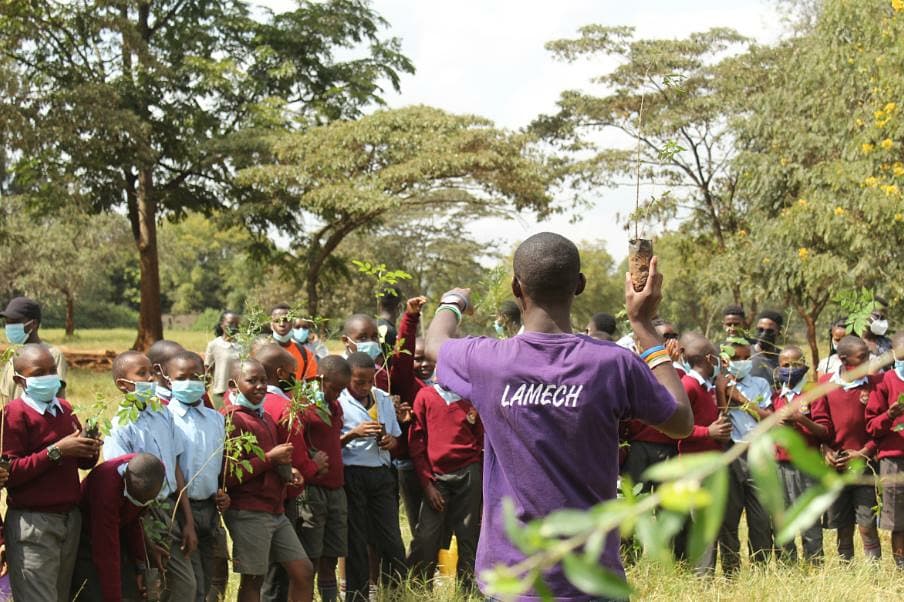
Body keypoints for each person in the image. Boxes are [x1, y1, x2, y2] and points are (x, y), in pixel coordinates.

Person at [424, 232, 693, 599]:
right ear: (579, 285)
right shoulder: (612, 364)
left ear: (517, 288)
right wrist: (644, 326)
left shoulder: (487, 362)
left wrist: (453, 301)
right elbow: (681, 423)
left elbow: (435, 342)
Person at [3, 344, 101, 602]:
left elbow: (81, 463)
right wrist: (57, 451)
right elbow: (10, 473)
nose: (48, 377)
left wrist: (89, 449)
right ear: (20, 380)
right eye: (39, 372)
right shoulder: (15, 414)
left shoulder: (66, 409)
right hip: (33, 523)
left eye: (51, 370)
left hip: (68, 520)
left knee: (60, 596)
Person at [104, 351, 198, 602]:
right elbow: (123, 486)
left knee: (184, 586)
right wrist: (144, 539)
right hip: (144, 512)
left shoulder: (163, 414)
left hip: (171, 507)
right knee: (156, 586)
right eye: (142, 374)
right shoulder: (120, 426)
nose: (150, 378)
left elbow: (175, 467)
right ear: (123, 385)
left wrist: (187, 520)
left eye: (152, 372)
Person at [223, 359, 313, 602]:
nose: (260, 386)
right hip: (248, 511)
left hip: (275, 509)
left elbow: (272, 461)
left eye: (263, 380)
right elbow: (228, 474)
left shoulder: (263, 417)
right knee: (253, 580)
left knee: (303, 571)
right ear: (233, 385)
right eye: (252, 380)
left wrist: (288, 471)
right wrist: (270, 459)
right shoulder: (231, 420)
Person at [257, 344, 326, 602]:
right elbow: (295, 457)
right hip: (282, 497)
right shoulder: (285, 407)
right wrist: (314, 465)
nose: (296, 380)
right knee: (281, 575)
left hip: (254, 497)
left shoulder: (241, 400)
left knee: (265, 574)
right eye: (293, 373)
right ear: (281, 373)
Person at [339, 352, 406, 602]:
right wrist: (353, 434)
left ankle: (395, 594)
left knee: (392, 541)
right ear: (347, 379)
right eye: (359, 382)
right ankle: (357, 596)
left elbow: (397, 438)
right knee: (356, 542)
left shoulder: (383, 399)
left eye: (369, 381)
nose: (365, 386)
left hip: (381, 474)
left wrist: (391, 441)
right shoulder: (339, 402)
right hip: (353, 474)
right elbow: (328, 445)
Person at [165, 350, 230, 602]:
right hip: (180, 511)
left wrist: (223, 493)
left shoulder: (215, 419)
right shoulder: (166, 419)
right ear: (168, 379)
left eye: (196, 376)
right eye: (182, 377)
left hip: (209, 509)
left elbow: (217, 463)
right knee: (185, 585)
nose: (190, 382)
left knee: (204, 583)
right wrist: (187, 520)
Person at [406, 378, 483, 589]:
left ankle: (468, 589)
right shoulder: (426, 396)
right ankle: (418, 587)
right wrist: (427, 484)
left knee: (468, 535)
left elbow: (480, 437)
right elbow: (417, 441)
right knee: (426, 535)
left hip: (468, 472)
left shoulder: (472, 395)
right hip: (436, 477)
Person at [810, 335, 882, 560]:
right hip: (837, 466)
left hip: (865, 464)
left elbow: (879, 426)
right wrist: (827, 450)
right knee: (842, 524)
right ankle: (846, 568)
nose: (868, 361)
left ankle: (874, 571)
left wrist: (865, 451)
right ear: (843, 360)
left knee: (867, 522)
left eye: (868, 356)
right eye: (862, 358)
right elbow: (821, 422)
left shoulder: (875, 383)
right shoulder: (824, 385)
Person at [289, 356, 351, 602]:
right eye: (335, 388)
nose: (338, 394)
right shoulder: (302, 405)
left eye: (342, 390)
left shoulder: (334, 406)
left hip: (336, 489)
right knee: (311, 555)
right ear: (320, 379)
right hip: (312, 490)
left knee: (332, 555)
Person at [71, 453, 166, 602]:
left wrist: (140, 564)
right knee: (95, 594)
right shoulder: (106, 488)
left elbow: (133, 522)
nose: (136, 504)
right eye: (132, 499)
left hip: (118, 530)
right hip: (88, 533)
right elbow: (106, 553)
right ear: (125, 480)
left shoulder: (151, 473)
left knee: (133, 591)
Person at [674, 333, 731, 570]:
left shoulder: (706, 387)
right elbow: (676, 428)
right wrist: (708, 433)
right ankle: (702, 578)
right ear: (709, 358)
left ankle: (704, 573)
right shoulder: (688, 386)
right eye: (716, 357)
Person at [718, 337, 775, 573]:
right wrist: (723, 390)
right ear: (724, 360)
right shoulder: (717, 384)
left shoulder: (760, 384)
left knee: (761, 518)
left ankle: (760, 568)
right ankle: (731, 569)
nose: (741, 362)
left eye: (745, 358)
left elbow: (768, 417)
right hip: (730, 453)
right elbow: (719, 415)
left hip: (758, 453)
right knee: (729, 517)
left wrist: (740, 399)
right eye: (735, 358)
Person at [772, 346, 828, 562]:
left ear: (804, 365)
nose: (789, 369)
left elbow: (824, 432)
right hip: (779, 465)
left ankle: (814, 562)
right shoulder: (776, 396)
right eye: (785, 365)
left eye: (795, 364)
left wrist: (800, 419)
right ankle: (788, 564)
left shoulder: (813, 395)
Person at [865, 331, 904, 568]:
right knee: (898, 519)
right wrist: (889, 415)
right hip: (894, 460)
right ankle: (901, 567)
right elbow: (871, 426)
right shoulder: (884, 382)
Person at [0, 296, 68, 405]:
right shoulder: (12, 357)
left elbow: (59, 399)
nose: (10, 327)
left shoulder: (52, 354)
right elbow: (6, 399)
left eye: (15, 321)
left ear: (34, 324)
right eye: (7, 322)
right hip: (14, 421)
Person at [270, 304, 318, 382]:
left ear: (292, 323)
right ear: (271, 325)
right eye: (277, 320)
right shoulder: (261, 351)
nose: (282, 324)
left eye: (286, 320)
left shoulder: (305, 354)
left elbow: (312, 385)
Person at [205, 311, 242, 406]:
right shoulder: (214, 345)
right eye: (230, 323)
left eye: (237, 324)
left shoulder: (243, 345)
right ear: (222, 324)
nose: (234, 327)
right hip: (221, 394)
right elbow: (207, 372)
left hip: (241, 395)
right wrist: (202, 396)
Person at [750, 310, 784, 388]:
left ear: (779, 332)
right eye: (760, 330)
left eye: (770, 331)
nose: (763, 334)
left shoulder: (784, 358)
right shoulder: (746, 355)